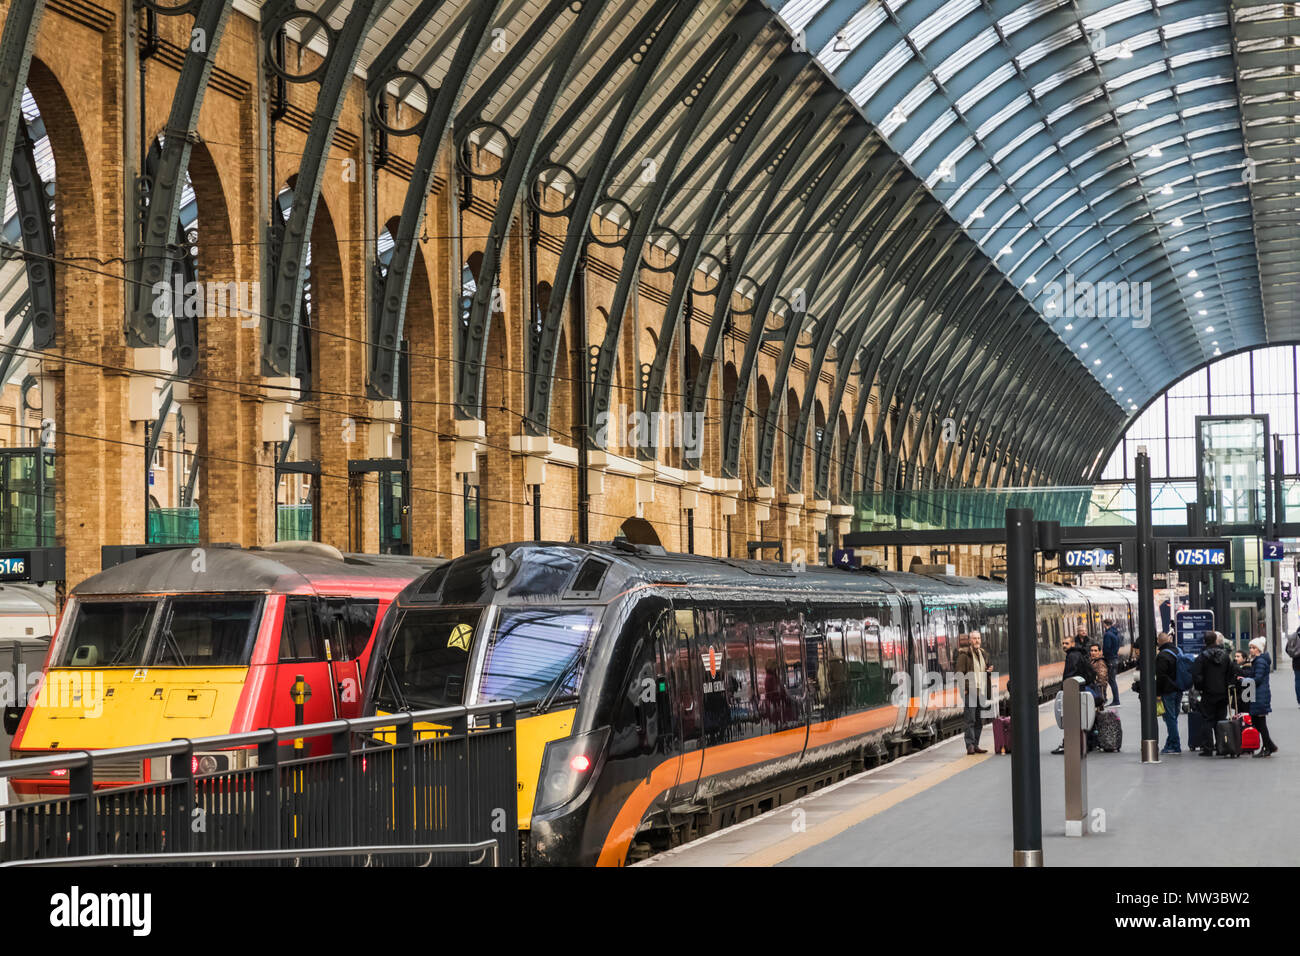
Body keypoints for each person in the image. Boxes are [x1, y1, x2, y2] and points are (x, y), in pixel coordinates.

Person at [1051, 630, 1096, 754]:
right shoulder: (1077, 654)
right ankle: (1083, 743)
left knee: (1071, 719)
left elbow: (1070, 675)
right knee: (1077, 720)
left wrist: (1064, 689)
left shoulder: (1072, 656)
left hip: (1073, 692)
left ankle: (1069, 744)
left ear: (1072, 644)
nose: (1064, 646)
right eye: (1063, 643)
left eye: (1066, 643)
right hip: (1079, 690)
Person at [1191, 631, 1234, 755]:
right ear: (1216, 640)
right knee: (1221, 719)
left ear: (1204, 641)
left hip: (1208, 693)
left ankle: (1208, 748)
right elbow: (1230, 673)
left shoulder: (1202, 657)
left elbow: (1196, 676)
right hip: (1222, 693)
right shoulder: (1225, 656)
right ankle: (1222, 747)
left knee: (1207, 720)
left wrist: (1201, 687)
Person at [955, 631, 992, 754]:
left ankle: (976, 744)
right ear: (970, 641)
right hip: (970, 692)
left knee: (979, 720)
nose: (977, 641)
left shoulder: (983, 654)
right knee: (970, 720)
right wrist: (964, 689)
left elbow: (985, 670)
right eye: (974, 639)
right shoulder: (964, 655)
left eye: (978, 638)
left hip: (981, 691)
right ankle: (969, 745)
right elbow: (959, 674)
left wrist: (989, 670)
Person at [1246, 637, 1279, 757]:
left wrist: (1246, 680)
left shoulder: (1259, 661)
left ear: (1259, 649)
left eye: (1254, 648)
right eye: (1250, 647)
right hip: (1259, 694)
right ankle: (1269, 745)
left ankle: (1267, 747)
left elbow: (1258, 678)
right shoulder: (1258, 660)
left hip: (1260, 694)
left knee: (1260, 722)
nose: (1251, 650)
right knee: (1257, 721)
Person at [1154, 632, 1182, 754]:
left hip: (1167, 691)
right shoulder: (1177, 651)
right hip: (1178, 689)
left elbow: (1161, 677)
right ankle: (1170, 743)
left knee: (1170, 719)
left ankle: (1175, 745)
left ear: (1159, 642)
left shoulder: (1162, 656)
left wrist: (1157, 693)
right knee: (1173, 717)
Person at [1102, 618, 1122, 707]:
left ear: (1105, 624)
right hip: (1115, 658)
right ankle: (1116, 700)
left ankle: (1116, 700)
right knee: (1113, 680)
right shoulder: (1115, 633)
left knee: (1111, 680)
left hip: (1110, 659)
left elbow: (1107, 648)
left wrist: (1104, 656)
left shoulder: (1107, 635)